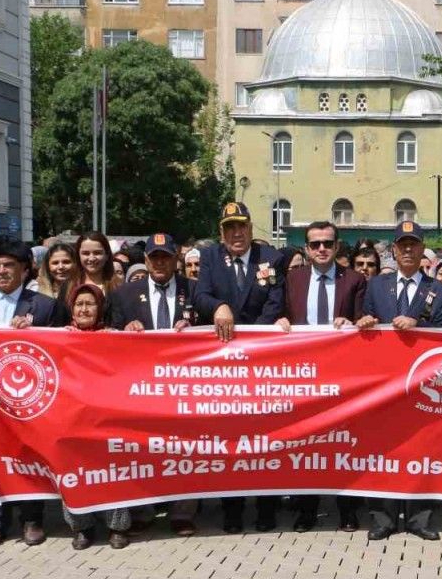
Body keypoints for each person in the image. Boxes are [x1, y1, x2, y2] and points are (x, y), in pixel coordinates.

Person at [0, 236, 66, 548]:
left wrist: (35, 333)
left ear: (24, 269)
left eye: (9, 265)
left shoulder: (45, 306)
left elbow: (61, 350)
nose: (2, 271)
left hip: (31, 399)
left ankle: (32, 519)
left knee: (30, 457)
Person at [356, 221, 442, 540]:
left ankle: (419, 518)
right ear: (394, 250)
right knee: (382, 449)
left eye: (414, 244)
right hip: (384, 384)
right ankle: (383, 517)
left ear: (423, 249)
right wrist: (365, 322)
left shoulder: (439, 289)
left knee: (421, 449)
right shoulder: (376, 286)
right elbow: (366, 321)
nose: (408, 250)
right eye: (402, 244)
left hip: (421, 384)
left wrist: (419, 324)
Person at [194, 202, 284, 533]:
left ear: (249, 227)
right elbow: (200, 295)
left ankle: (266, 508)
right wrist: (218, 305)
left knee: (266, 438)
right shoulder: (210, 258)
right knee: (230, 438)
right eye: (229, 227)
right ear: (221, 232)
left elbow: (275, 302)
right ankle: (232, 509)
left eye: (241, 226)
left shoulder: (270, 258)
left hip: (262, 364)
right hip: (224, 368)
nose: (236, 233)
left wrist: (252, 343)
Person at [274, 221, 367, 533]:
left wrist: (353, 323)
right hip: (304, 377)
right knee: (307, 445)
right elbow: (279, 313)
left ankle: (347, 510)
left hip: (343, 377)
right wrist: (280, 321)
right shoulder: (293, 279)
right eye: (315, 244)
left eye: (328, 243)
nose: (322, 249)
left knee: (343, 444)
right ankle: (307, 511)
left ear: (337, 246)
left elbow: (365, 321)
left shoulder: (354, 279)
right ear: (307, 249)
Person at [109, 234, 198, 535]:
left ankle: (182, 513)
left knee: (185, 450)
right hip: (141, 387)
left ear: (175, 260)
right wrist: (125, 329)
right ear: (145, 260)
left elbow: (212, 329)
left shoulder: (193, 289)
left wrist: (196, 328)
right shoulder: (125, 294)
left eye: (166, 257)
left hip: (184, 386)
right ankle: (143, 510)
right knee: (142, 449)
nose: (160, 262)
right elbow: (108, 338)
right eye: (154, 257)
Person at [62, 283, 132, 549]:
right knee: (73, 472)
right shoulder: (57, 337)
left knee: (113, 471)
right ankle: (82, 527)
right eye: (79, 304)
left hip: (107, 417)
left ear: (100, 308)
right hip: (71, 418)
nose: (84, 309)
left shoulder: (114, 337)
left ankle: (117, 527)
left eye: (89, 304)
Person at [74, 232, 118, 296]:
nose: (91, 258)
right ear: (78, 256)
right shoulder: (68, 287)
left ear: (107, 255)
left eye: (97, 253)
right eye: (86, 253)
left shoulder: (118, 287)